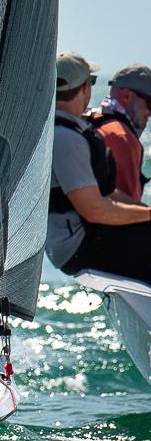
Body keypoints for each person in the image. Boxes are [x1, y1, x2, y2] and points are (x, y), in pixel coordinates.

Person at [47, 54, 151, 282]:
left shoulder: (67, 129)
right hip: (79, 248)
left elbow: (107, 193)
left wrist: (146, 212)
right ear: (85, 88)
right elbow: (94, 209)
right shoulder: (67, 138)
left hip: (80, 240)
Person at [88, 64, 151, 202]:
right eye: (150, 103)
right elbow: (128, 212)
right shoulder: (122, 138)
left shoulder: (89, 121)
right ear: (126, 96)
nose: (150, 113)